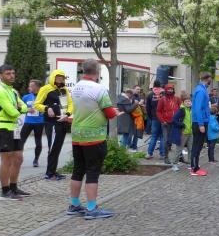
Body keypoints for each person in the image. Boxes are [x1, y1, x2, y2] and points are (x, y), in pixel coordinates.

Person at [66, 59, 121, 219]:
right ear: (97, 71)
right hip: (94, 136)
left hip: (77, 134)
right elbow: (109, 113)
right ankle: (91, 208)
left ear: (83, 70)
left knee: (78, 170)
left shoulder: (76, 87)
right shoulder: (99, 89)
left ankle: (74, 204)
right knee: (92, 172)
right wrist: (115, 112)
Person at [0, 64, 30, 200]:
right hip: (3, 128)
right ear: (1, 76)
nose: (11, 76)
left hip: (14, 128)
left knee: (19, 158)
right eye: (8, 74)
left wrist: (20, 108)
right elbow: (12, 112)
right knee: (7, 159)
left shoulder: (13, 91)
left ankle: (14, 188)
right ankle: (5, 191)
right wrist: (19, 108)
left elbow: (24, 107)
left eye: (13, 73)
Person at [35, 69, 74, 180]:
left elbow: (71, 104)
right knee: (53, 148)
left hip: (63, 122)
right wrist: (47, 108)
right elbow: (36, 104)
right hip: (51, 123)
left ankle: (53, 171)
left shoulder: (64, 90)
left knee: (57, 148)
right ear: (53, 77)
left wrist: (67, 114)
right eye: (58, 77)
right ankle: (49, 173)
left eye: (62, 77)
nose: (60, 79)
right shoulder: (45, 89)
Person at [190, 72, 212, 176]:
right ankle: (194, 168)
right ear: (207, 79)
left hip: (202, 121)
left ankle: (195, 166)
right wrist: (201, 124)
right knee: (197, 145)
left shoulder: (202, 89)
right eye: (210, 78)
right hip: (200, 122)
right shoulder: (200, 91)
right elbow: (198, 109)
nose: (211, 80)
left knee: (198, 145)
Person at [21, 79, 45, 168]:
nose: (29, 88)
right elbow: (19, 108)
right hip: (28, 122)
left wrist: (43, 110)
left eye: (31, 86)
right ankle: (18, 158)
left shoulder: (43, 97)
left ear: (37, 87)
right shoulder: (26, 97)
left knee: (38, 142)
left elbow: (47, 108)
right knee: (21, 141)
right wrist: (26, 109)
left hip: (39, 122)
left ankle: (36, 160)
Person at [157, 84, 180, 165]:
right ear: (166, 90)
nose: (170, 90)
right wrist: (162, 121)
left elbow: (181, 109)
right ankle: (166, 157)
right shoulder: (162, 99)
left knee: (178, 140)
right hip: (166, 123)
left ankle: (179, 156)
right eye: (169, 89)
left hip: (175, 123)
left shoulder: (177, 99)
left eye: (171, 89)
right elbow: (158, 111)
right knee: (166, 140)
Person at [169, 94, 192, 172]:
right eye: (186, 101)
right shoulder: (181, 110)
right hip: (183, 133)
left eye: (189, 101)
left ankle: (190, 163)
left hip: (190, 132)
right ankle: (174, 164)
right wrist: (182, 125)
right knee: (179, 149)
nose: (188, 103)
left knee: (191, 149)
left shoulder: (191, 109)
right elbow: (173, 120)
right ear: (183, 102)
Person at [145, 81, 165, 161]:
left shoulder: (150, 95)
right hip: (163, 118)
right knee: (163, 136)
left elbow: (147, 108)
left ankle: (149, 153)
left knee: (154, 136)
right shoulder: (164, 94)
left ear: (153, 86)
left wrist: (151, 117)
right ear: (160, 85)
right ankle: (162, 154)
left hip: (154, 118)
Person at [129, 85, 143, 150]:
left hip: (138, 117)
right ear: (133, 89)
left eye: (139, 89)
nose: (138, 90)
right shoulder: (131, 97)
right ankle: (128, 145)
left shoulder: (139, 97)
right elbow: (130, 107)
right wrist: (138, 104)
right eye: (137, 89)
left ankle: (134, 146)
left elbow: (139, 106)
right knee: (130, 133)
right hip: (131, 117)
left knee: (136, 133)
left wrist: (141, 105)